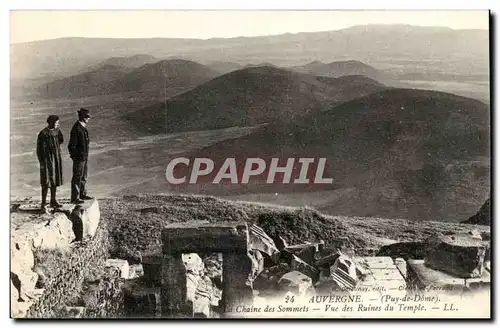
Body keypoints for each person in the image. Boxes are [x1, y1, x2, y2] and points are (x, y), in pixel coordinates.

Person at [37, 115, 64, 209]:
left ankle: (53, 200)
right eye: (56, 122)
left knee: (55, 180)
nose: (57, 124)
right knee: (46, 181)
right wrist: (41, 162)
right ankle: (43, 203)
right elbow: (39, 150)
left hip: (55, 159)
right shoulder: (43, 133)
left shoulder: (57, 131)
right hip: (46, 161)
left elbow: (61, 140)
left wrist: (55, 150)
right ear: (51, 123)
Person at [68, 108, 93, 204]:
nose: (88, 118)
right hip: (80, 158)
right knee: (77, 177)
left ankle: (82, 194)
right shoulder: (77, 128)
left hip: (84, 157)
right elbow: (71, 146)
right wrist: (76, 157)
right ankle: (75, 197)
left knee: (83, 177)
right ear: (82, 117)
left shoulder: (82, 127)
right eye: (87, 117)